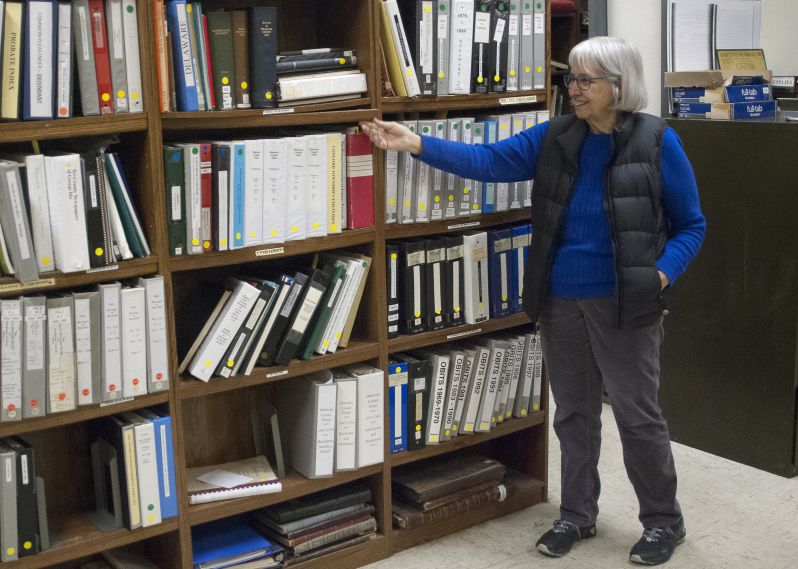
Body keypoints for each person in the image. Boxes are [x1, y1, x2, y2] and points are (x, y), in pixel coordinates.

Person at [360, 36, 706, 565]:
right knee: (572, 414)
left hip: (626, 303)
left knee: (638, 417)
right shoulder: (557, 135)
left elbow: (692, 226)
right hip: (559, 299)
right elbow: (490, 161)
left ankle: (663, 521)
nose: (574, 89)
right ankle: (576, 515)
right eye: (571, 78)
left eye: (586, 80)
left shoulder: (658, 140)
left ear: (619, 84)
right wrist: (416, 143)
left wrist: (660, 276)